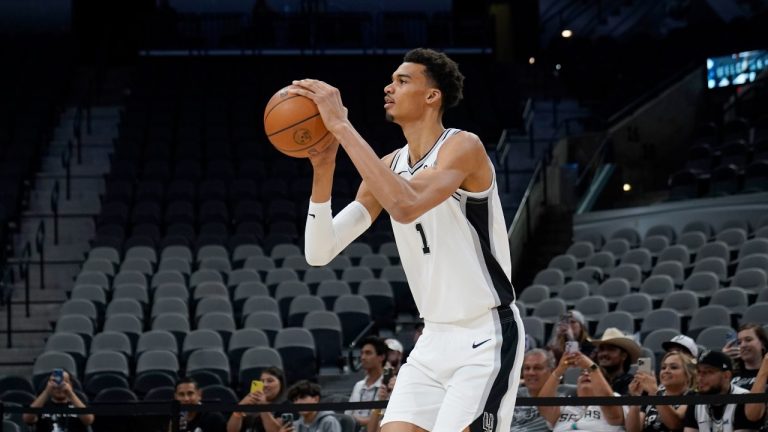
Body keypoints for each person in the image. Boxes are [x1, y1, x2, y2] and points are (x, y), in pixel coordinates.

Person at [293, 47, 524, 432]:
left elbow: (406, 205)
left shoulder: (462, 146)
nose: (389, 87)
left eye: (402, 81)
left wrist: (342, 126)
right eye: (391, 80)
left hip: (486, 334)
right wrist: (324, 168)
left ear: (432, 96)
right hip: (432, 338)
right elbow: (320, 251)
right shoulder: (389, 165)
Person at [538, 351, 627, 432]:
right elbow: (543, 405)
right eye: (582, 373)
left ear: (606, 384)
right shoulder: (566, 404)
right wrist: (560, 369)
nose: (586, 374)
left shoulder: (616, 398)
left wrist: (592, 367)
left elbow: (612, 411)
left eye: (590, 372)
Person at [682, 350, 762, 432]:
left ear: (726, 375)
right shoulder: (695, 403)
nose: (700, 378)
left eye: (708, 372)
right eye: (698, 371)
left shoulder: (744, 400)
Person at [626, 351, 697, 432]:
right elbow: (632, 430)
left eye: (673, 367)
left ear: (689, 375)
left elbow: (674, 424)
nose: (666, 371)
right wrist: (635, 398)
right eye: (663, 367)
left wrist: (655, 393)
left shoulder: (693, 396)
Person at [23, 369, 94, 432]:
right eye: (55, 381)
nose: (59, 386)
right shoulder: (41, 405)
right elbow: (27, 418)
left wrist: (70, 393)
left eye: (64, 381)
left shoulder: (78, 404)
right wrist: (46, 392)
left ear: (70, 384)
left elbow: (89, 420)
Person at [510, 349, 559, 432]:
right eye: (527, 368)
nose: (531, 373)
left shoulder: (560, 403)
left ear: (551, 371)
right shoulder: (511, 395)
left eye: (537, 368)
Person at [228, 367, 288, 432]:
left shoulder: (286, 405)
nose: (264, 385)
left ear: (281, 383)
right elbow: (231, 430)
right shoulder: (251, 402)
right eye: (262, 381)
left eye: (270, 381)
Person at [593, 327, 642, 395]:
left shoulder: (631, 383)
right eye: (601, 349)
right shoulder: (593, 381)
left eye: (611, 349)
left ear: (623, 356)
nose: (604, 353)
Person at [723, 323, 768, 390]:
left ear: (762, 344)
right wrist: (722, 360)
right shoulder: (730, 375)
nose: (743, 345)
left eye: (748, 340)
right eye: (739, 342)